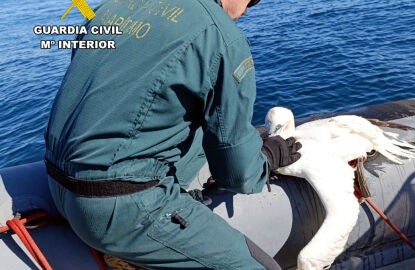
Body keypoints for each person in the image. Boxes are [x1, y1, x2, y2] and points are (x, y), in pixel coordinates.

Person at [44, 0, 301, 269]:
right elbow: (238, 176)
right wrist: (266, 157)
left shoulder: (109, 7)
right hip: (117, 208)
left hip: (57, 183)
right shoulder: (221, 34)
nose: (249, 9)